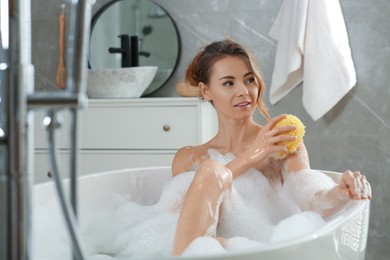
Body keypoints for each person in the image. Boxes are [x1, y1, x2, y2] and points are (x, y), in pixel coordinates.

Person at [171, 39, 372, 256]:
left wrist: (340, 193)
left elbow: (312, 200)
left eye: (249, 80)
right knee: (211, 170)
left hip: (264, 251)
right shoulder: (189, 158)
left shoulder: (281, 143)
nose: (244, 92)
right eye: (228, 83)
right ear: (206, 90)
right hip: (214, 250)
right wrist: (252, 155)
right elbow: (177, 225)